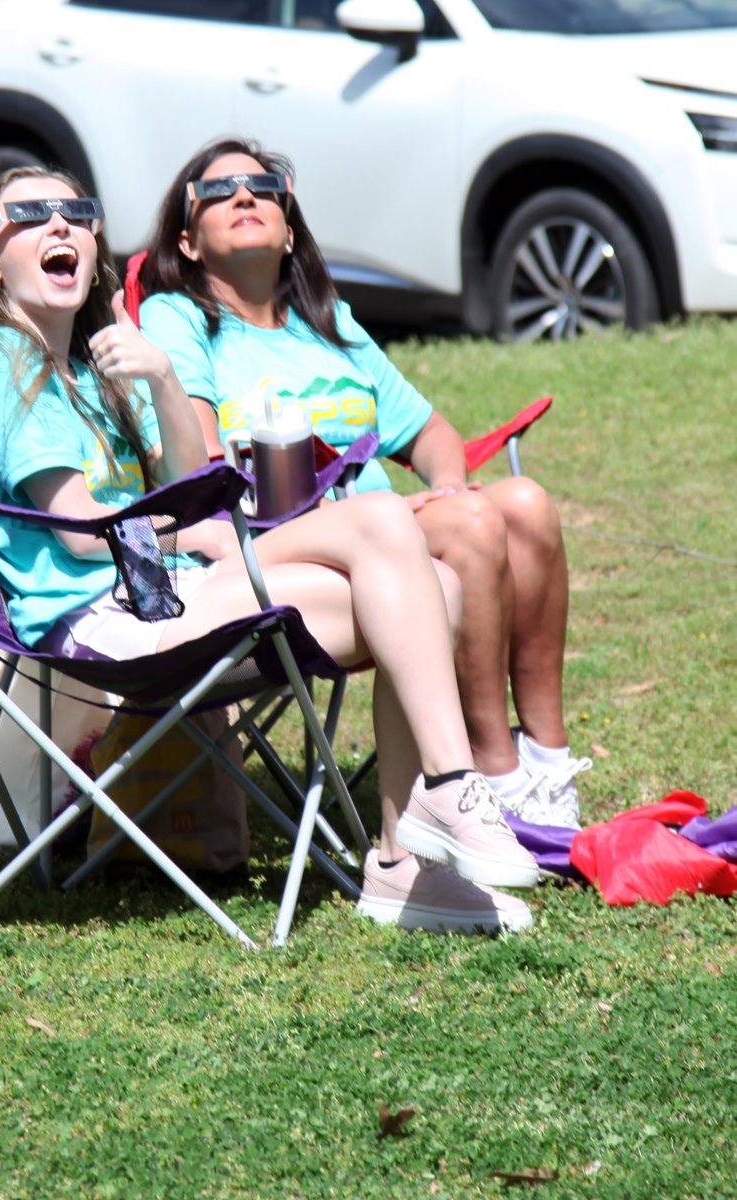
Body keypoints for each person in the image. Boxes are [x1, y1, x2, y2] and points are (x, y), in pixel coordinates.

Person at [0, 165, 539, 937]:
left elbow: (184, 478)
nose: (59, 224)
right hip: (103, 623)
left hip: (166, 592)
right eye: (28, 214)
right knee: (388, 527)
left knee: (433, 583)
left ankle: (404, 862)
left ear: (94, 246)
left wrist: (159, 376)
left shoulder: (91, 368)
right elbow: (81, 533)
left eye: (75, 211)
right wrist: (188, 532)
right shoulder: (1, 358)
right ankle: (451, 788)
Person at [138, 137, 591, 832]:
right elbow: (197, 464)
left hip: (386, 528)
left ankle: (550, 769)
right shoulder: (179, 317)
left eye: (263, 188)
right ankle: (493, 775)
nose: (244, 197)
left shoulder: (329, 324)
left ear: (289, 230)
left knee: (523, 506)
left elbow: (434, 435)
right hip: (277, 545)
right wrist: (433, 513)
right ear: (189, 242)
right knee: (471, 525)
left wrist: (443, 486)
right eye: (218, 192)